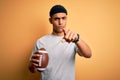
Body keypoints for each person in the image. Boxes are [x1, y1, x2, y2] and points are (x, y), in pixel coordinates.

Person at [29, 4, 92, 80]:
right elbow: (32, 70)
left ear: (66, 19)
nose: (60, 22)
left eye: (63, 18)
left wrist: (77, 39)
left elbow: (88, 54)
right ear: (50, 20)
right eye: (56, 19)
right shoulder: (41, 42)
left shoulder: (72, 38)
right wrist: (32, 66)